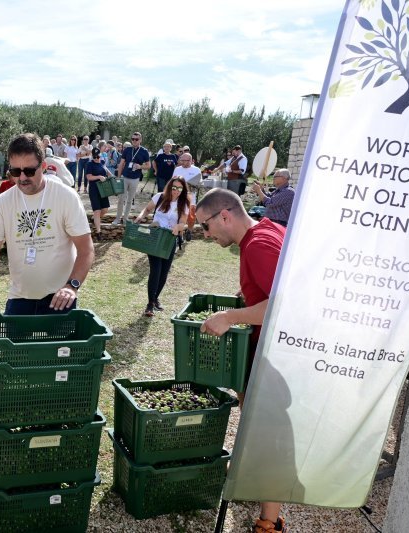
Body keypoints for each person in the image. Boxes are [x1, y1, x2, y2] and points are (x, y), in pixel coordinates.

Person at [195, 188, 288, 533]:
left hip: (273, 357)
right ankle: (248, 474)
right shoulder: (265, 231)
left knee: (269, 437)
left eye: (205, 226)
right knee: (255, 424)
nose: (206, 235)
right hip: (265, 352)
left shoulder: (258, 245)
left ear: (224, 216)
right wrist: (248, 296)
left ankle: (270, 521)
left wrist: (232, 316)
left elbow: (284, 305)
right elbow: (270, 289)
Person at [0, 133, 94, 315]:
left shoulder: (66, 197)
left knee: (58, 345)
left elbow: (86, 249)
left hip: (60, 298)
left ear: (43, 166)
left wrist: (72, 286)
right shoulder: (3, 202)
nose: (22, 178)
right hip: (19, 297)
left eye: (29, 171)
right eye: (15, 172)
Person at [134, 176, 188, 317]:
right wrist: (140, 217)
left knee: (164, 272)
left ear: (183, 190)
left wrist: (179, 226)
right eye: (174, 187)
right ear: (170, 186)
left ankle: (155, 298)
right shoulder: (159, 197)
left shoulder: (183, 203)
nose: (176, 191)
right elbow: (146, 209)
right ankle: (150, 304)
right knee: (155, 270)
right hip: (155, 237)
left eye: (179, 188)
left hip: (169, 240)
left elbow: (183, 222)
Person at [113, 132, 151, 225]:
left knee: (130, 200)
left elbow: (148, 166)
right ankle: (118, 218)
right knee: (121, 199)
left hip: (135, 178)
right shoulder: (127, 150)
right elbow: (121, 163)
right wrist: (118, 177)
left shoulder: (144, 151)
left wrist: (140, 166)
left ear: (140, 140)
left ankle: (125, 219)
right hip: (125, 177)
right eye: (133, 139)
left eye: (136, 139)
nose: (134, 141)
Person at [172, 152, 203, 242]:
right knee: (178, 215)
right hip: (178, 196)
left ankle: (189, 231)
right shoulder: (177, 169)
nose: (183, 163)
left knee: (191, 216)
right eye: (182, 160)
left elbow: (200, 182)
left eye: (186, 161)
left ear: (190, 161)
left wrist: (194, 184)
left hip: (191, 197)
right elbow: (172, 181)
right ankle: (179, 235)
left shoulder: (196, 170)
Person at [85, 147, 110, 241]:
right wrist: (99, 177)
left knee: (105, 209)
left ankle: (93, 219)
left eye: (98, 156)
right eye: (94, 156)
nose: (96, 158)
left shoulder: (102, 163)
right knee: (97, 210)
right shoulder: (89, 164)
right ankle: (98, 232)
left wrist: (113, 177)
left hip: (103, 189)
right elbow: (89, 177)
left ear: (100, 155)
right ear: (92, 156)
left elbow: (107, 172)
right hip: (94, 189)